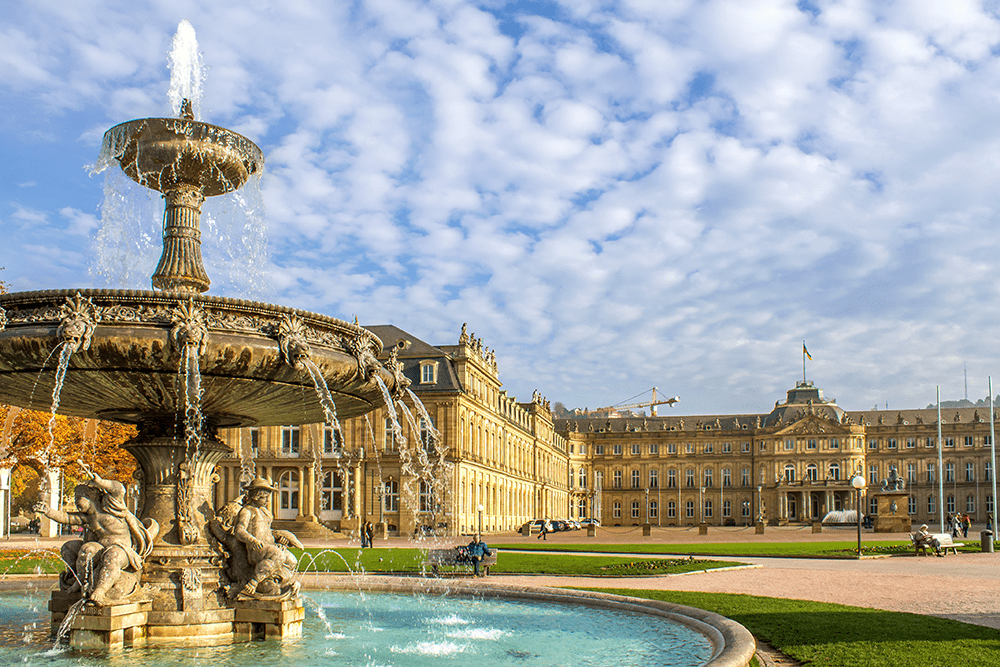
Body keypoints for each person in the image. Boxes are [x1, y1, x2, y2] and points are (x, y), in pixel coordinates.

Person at [34, 466, 158, 605]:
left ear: (90, 497)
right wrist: (48, 511)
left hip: (122, 549)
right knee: (73, 548)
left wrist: (100, 482)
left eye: (78, 498)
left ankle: (100, 590)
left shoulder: (110, 505)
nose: (76, 502)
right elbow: (66, 517)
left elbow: (119, 489)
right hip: (101, 547)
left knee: (113, 556)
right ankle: (80, 581)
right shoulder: (87, 517)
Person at [231, 477, 302, 598]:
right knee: (278, 555)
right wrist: (252, 540)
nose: (268, 501)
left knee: (291, 560)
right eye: (265, 497)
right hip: (257, 550)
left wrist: (280, 540)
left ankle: (274, 581)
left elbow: (268, 532)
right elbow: (239, 530)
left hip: (270, 548)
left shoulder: (266, 513)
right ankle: (253, 582)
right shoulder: (247, 511)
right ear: (256, 496)